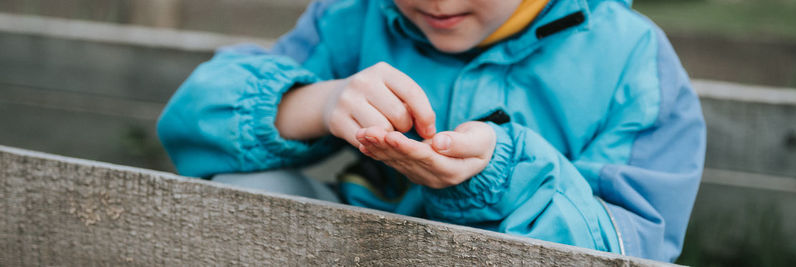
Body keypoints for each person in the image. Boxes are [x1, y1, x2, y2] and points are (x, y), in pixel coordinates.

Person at [157, 0, 706, 262]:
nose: (438, 2)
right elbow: (194, 118)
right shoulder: (355, 16)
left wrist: (501, 174)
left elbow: (627, 246)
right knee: (245, 195)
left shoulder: (631, 63)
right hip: (358, 248)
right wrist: (321, 101)